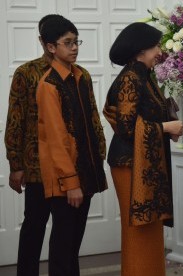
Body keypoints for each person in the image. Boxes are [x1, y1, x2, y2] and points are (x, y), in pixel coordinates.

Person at [103, 22, 183, 276]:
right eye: (156, 46)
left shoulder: (143, 76)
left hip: (142, 162)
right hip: (129, 163)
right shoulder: (130, 78)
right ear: (141, 50)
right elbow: (127, 127)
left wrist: (166, 122)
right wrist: (167, 127)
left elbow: (145, 115)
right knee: (138, 231)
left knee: (150, 228)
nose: (160, 51)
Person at [36, 16, 107, 275]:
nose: (74, 47)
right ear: (51, 47)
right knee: (63, 247)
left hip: (84, 173)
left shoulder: (80, 77)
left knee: (72, 246)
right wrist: (71, 182)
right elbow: (56, 140)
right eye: (68, 43)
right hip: (66, 180)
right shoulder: (48, 85)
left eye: (76, 41)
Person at [4, 14, 65, 276]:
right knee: (34, 226)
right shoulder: (26, 73)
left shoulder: (73, 72)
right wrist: (16, 165)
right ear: (43, 41)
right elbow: (15, 120)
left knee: (64, 232)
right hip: (36, 166)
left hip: (67, 167)